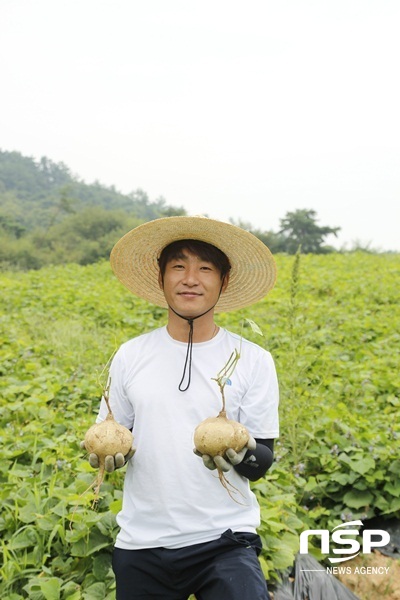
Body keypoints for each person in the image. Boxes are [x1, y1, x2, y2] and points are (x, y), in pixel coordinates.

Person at [84, 216, 279, 600]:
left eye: (205, 268)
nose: (191, 279)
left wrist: (241, 455)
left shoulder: (252, 358)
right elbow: (111, 433)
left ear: (223, 282)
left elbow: (264, 459)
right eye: (178, 267)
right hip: (142, 541)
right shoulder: (130, 355)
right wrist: (106, 456)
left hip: (226, 538)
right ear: (161, 279)